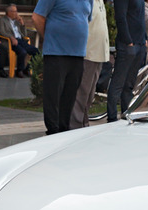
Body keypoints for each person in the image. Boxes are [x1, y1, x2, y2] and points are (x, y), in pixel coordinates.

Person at [32, 0, 91, 135]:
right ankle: (52, 131)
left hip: (78, 54)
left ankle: (64, 129)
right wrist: (49, 38)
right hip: (56, 52)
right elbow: (37, 17)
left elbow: (85, 19)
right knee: (53, 95)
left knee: (69, 96)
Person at [71, 0, 108, 129]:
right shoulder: (86, 2)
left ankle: (84, 122)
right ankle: (75, 125)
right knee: (82, 92)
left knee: (90, 93)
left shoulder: (100, 2)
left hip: (99, 53)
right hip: (88, 52)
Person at [107, 0, 146, 122]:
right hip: (127, 45)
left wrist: (144, 39)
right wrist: (128, 41)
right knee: (118, 84)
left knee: (129, 86)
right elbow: (120, 17)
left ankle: (126, 116)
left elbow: (140, 17)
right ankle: (112, 118)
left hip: (139, 45)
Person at [0, 4, 39, 78]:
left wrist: (22, 24)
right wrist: (11, 37)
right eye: (14, 11)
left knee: (36, 52)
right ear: (9, 12)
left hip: (21, 41)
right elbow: (1, 31)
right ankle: (19, 70)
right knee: (22, 52)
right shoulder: (2, 20)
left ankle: (27, 69)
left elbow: (25, 34)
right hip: (11, 42)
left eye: (16, 11)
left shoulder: (16, 22)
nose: (16, 13)